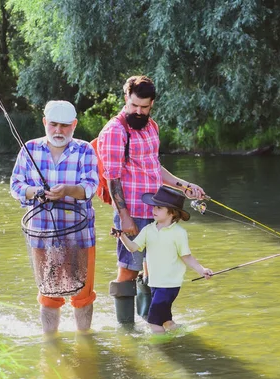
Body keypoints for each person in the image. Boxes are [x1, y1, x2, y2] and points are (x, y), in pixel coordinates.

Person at [97, 75, 206, 324]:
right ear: (126, 98)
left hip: (159, 212)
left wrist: (184, 186)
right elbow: (112, 178)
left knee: (155, 269)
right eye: (134, 105)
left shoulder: (152, 126)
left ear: (152, 104)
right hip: (131, 211)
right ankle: (126, 330)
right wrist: (124, 217)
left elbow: (154, 168)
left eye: (144, 107)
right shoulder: (114, 131)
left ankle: (151, 321)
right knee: (128, 268)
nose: (138, 111)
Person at [10, 100, 99, 334]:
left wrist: (67, 190)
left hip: (80, 235)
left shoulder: (85, 150)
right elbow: (16, 186)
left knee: (83, 295)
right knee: (48, 295)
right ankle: (50, 343)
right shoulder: (29, 148)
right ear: (44, 123)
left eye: (65, 125)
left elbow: (90, 187)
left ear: (74, 125)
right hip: (41, 236)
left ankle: (84, 340)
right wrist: (37, 192)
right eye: (53, 125)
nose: (59, 131)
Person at [111, 185, 213, 333]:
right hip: (155, 284)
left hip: (169, 285)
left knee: (153, 323)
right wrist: (122, 236)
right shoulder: (148, 230)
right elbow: (133, 247)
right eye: (154, 207)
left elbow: (187, 257)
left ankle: (160, 349)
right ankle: (180, 334)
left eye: (159, 208)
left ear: (171, 212)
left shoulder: (179, 233)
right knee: (166, 321)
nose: (153, 210)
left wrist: (202, 270)